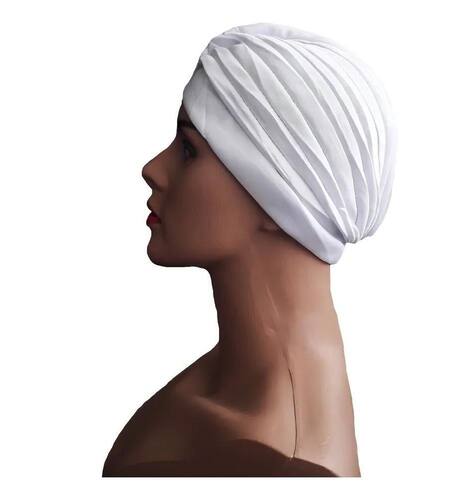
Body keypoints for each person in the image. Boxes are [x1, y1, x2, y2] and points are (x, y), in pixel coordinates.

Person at [103, 22, 397, 477]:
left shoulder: (284, 468)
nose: (153, 168)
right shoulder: (230, 392)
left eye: (188, 150)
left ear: (281, 196)